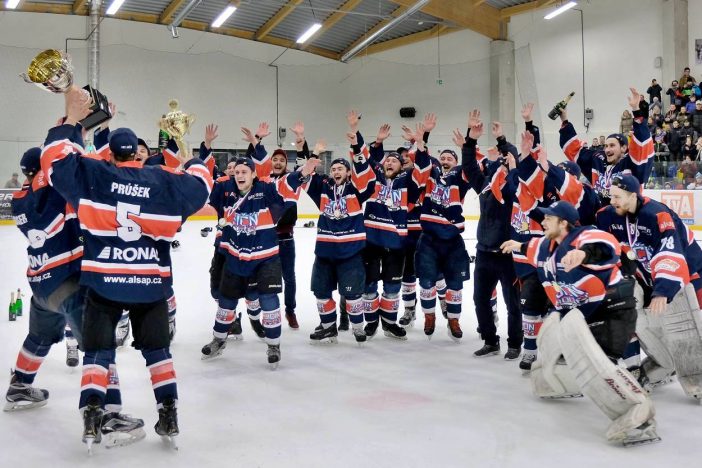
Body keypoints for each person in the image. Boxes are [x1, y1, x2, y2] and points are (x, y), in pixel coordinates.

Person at [40, 87, 213, 449]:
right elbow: (201, 187)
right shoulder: (162, 180)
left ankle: (92, 414)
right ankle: (168, 413)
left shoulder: (95, 174)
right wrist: (190, 160)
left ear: (112, 154)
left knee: (98, 352)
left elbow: (55, 162)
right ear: (137, 153)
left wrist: (72, 122)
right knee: (158, 352)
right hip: (150, 284)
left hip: (103, 283)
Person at [6, 145, 147, 447]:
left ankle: (19, 386)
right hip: (69, 283)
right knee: (100, 345)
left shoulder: (19, 201)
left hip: (41, 284)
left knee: (39, 337)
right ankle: (107, 415)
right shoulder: (55, 194)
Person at [501, 201, 659, 446]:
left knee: (600, 365)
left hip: (611, 310)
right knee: (553, 338)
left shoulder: (585, 236)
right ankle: (560, 383)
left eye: (549, 218)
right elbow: (531, 246)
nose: (543, 221)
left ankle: (641, 417)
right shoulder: (544, 246)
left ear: (564, 222)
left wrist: (584, 254)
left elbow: (606, 247)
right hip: (581, 313)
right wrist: (517, 245)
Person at [200, 127, 319, 365]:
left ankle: (273, 344)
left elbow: (290, 181)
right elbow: (204, 180)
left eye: (245, 171)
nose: (240, 175)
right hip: (235, 257)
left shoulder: (266, 189)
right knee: (226, 302)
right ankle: (218, 339)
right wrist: (203, 149)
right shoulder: (225, 189)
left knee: (269, 300)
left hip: (266, 258)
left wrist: (307, 167)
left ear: (254, 174)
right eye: (237, 172)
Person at [597, 175, 702, 400]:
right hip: (647, 276)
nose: (612, 201)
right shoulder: (607, 216)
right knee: (643, 322)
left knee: (684, 328)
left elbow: (670, 251)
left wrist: (663, 289)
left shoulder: (656, 215)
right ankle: (659, 365)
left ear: (633, 196)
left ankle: (697, 380)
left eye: (617, 197)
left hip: (685, 272)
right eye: (611, 196)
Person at [354, 116, 432, 340]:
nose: (389, 163)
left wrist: (419, 143)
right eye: (387, 160)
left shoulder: (408, 183)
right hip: (371, 241)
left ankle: (389, 322)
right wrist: (376, 142)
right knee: (369, 285)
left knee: (392, 286)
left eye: (394, 161)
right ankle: (371, 322)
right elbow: (364, 160)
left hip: (396, 243)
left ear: (401, 166)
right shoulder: (374, 180)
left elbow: (423, 170)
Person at [462, 112, 522, 358]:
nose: (499, 163)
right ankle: (490, 340)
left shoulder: (517, 185)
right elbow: (469, 168)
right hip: (485, 252)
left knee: (513, 304)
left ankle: (515, 344)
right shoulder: (486, 184)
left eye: (504, 161)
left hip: (508, 254)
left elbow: (513, 161)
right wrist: (470, 140)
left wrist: (502, 140)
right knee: (480, 300)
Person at [560, 88, 653, 205]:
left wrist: (636, 110)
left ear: (624, 148)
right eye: (606, 146)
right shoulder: (598, 159)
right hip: (602, 213)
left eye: (612, 145)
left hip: (626, 212)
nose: (607, 149)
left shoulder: (631, 163)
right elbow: (575, 150)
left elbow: (642, 146)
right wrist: (564, 120)